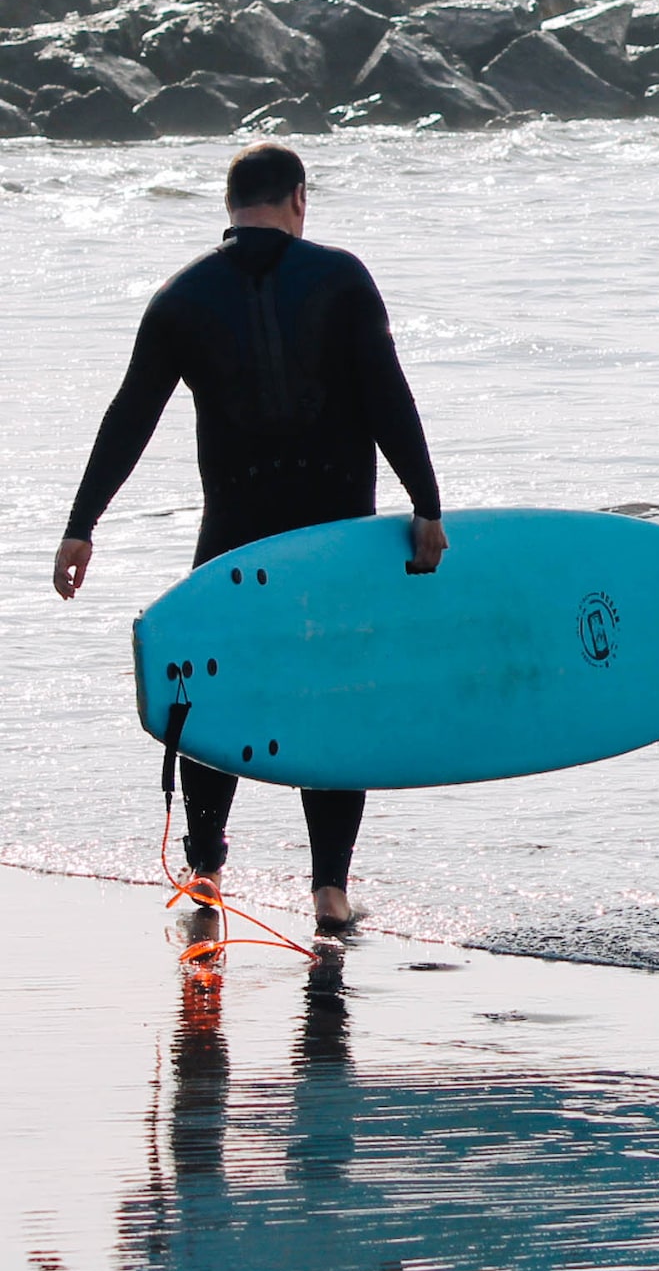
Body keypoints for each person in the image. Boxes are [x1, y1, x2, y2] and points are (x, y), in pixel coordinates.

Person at [53, 142, 448, 929]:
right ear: (299, 199)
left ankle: (204, 874)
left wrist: (81, 526)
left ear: (229, 207)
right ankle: (330, 890)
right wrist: (425, 502)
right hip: (335, 535)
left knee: (219, 685)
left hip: (234, 536)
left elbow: (130, 415)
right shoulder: (340, 278)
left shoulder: (182, 297)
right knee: (335, 691)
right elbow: (386, 394)